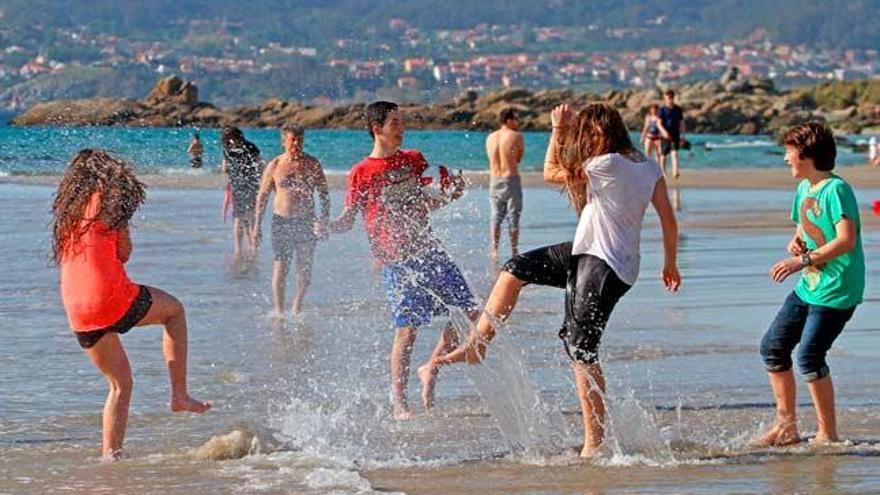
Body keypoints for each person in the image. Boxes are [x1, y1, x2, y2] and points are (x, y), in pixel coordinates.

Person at [422, 103, 681, 457]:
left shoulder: (605, 165)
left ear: (601, 134)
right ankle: (478, 345)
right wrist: (670, 264)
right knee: (515, 268)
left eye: (586, 134)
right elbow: (668, 220)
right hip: (590, 254)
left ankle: (594, 443)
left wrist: (557, 129)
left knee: (581, 350)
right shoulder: (647, 165)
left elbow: (549, 172)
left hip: (602, 265)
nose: (582, 140)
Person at [52, 149, 210, 461]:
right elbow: (123, 253)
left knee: (120, 385)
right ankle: (179, 395)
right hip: (110, 296)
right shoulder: (109, 200)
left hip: (77, 309)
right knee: (174, 311)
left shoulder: (68, 213)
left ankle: (111, 458)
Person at [330, 101, 478, 419]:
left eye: (401, 121)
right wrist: (324, 227)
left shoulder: (413, 160)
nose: (402, 126)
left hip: (430, 251)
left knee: (470, 312)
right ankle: (400, 404)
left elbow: (425, 204)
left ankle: (433, 366)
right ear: (377, 128)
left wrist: (453, 194)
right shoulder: (361, 172)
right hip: (396, 260)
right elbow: (348, 219)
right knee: (407, 331)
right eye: (395, 122)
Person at [757, 123, 865, 447]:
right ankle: (786, 427)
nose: (786, 158)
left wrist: (799, 262)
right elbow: (803, 230)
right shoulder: (805, 188)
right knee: (773, 348)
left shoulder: (836, 190)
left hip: (837, 289)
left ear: (806, 155)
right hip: (811, 284)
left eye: (789, 151)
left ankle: (827, 434)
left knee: (809, 356)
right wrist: (796, 245)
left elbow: (846, 240)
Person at [253, 123, 330, 316]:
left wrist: (324, 219)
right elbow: (262, 197)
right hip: (282, 221)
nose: (296, 144)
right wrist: (256, 227)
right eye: (292, 140)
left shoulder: (312, 164)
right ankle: (279, 310)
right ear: (284, 141)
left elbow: (324, 193)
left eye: (300, 140)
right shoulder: (275, 165)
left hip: (306, 221)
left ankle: (297, 305)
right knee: (281, 266)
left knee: (305, 267)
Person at [486, 107, 525, 260]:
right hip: (511, 179)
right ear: (509, 120)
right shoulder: (516, 136)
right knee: (513, 215)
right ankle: (514, 250)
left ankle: (494, 250)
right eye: (516, 119)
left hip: (494, 179)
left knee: (496, 215)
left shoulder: (490, 137)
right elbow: (518, 159)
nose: (518, 122)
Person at [221, 127, 263, 262]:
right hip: (252, 185)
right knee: (251, 218)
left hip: (237, 186)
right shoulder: (251, 146)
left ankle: (238, 250)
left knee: (239, 218)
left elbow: (224, 169)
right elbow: (260, 165)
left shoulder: (228, 149)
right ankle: (253, 248)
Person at [658, 89, 685, 179]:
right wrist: (664, 132)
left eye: (671, 98)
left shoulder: (678, 109)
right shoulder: (662, 110)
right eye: (668, 98)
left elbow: (682, 123)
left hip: (675, 134)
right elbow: (659, 123)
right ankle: (663, 173)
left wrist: (682, 136)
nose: (670, 100)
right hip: (664, 135)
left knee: (675, 153)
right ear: (665, 98)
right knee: (663, 156)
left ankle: (675, 171)